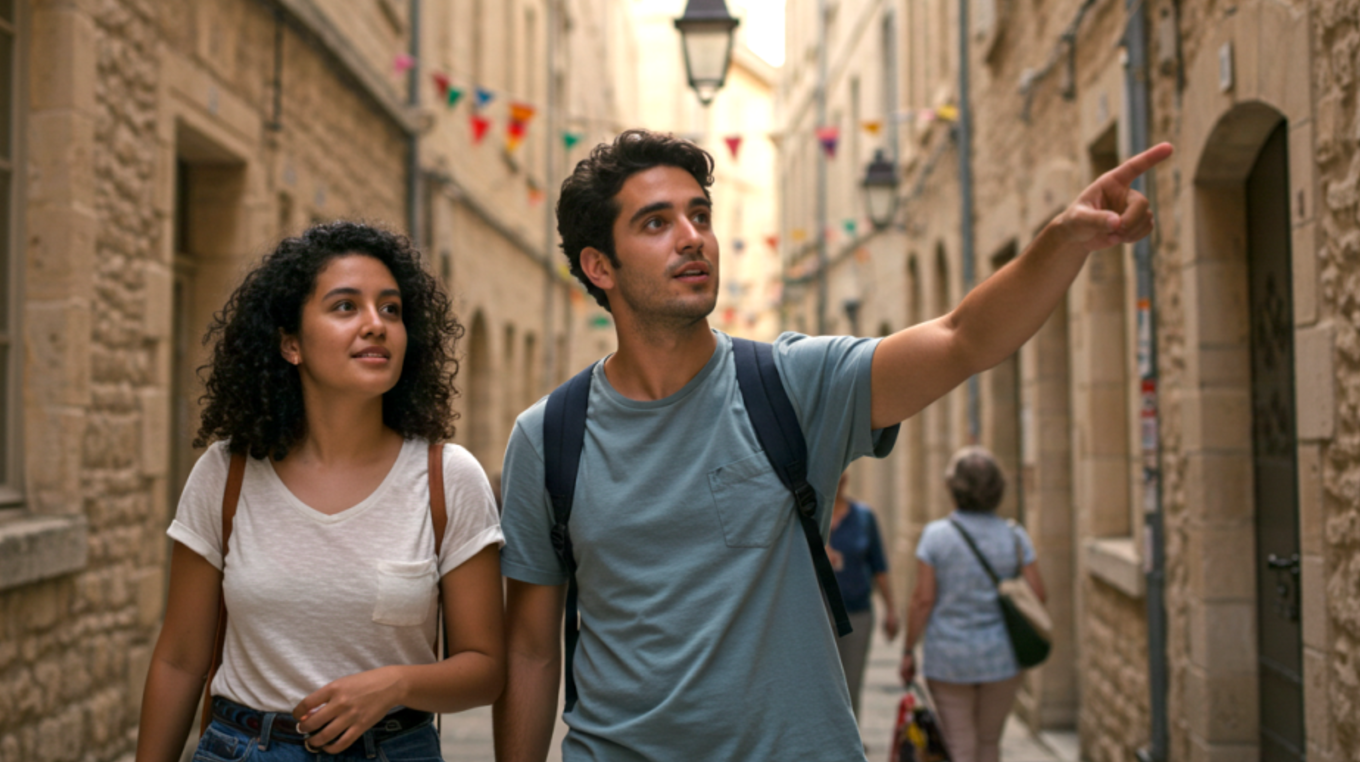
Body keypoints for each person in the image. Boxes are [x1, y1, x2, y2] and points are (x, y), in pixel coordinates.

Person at [493, 130, 1167, 762]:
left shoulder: (792, 385)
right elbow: (529, 651)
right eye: (656, 222)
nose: (692, 238)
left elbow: (965, 338)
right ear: (597, 266)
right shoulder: (548, 437)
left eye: (700, 215)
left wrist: (1062, 240)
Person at [135, 222, 505, 762]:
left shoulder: (448, 479)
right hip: (242, 749)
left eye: (391, 309)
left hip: (395, 750)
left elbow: (486, 668)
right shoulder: (227, 474)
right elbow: (180, 659)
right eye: (345, 307)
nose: (376, 325)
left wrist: (396, 685)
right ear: (290, 343)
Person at [899, 447, 1048, 762]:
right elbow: (1038, 594)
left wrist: (909, 649)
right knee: (989, 742)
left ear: (953, 488)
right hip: (1002, 658)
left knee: (959, 745)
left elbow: (923, 600)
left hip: (948, 659)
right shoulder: (1015, 535)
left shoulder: (935, 536)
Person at [827, 469, 899, 724]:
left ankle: (849, 741)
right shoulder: (810, 516)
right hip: (817, 615)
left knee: (851, 682)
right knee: (822, 685)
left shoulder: (863, 518)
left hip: (856, 612)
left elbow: (879, 566)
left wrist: (891, 609)